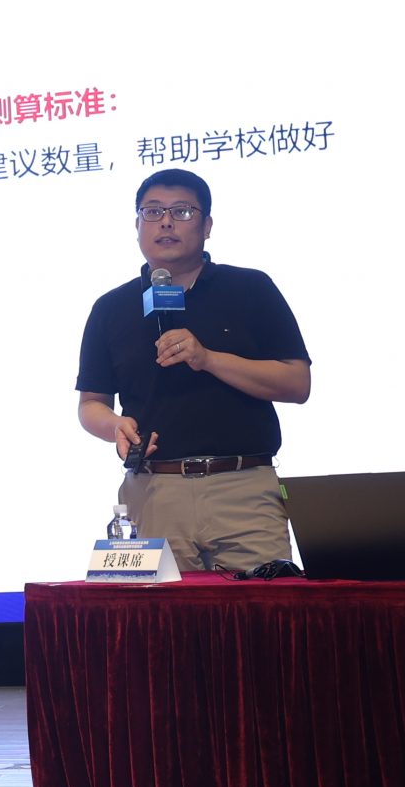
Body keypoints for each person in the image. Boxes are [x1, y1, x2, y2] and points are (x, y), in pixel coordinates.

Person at [74, 168, 311, 572]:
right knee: (154, 613)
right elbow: (90, 404)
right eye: (152, 211)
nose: (165, 222)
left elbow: (297, 382)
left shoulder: (251, 288)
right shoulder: (110, 307)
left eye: (182, 211)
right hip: (151, 491)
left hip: (244, 489)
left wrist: (208, 359)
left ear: (208, 226)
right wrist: (115, 426)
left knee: (262, 609)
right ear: (137, 225)